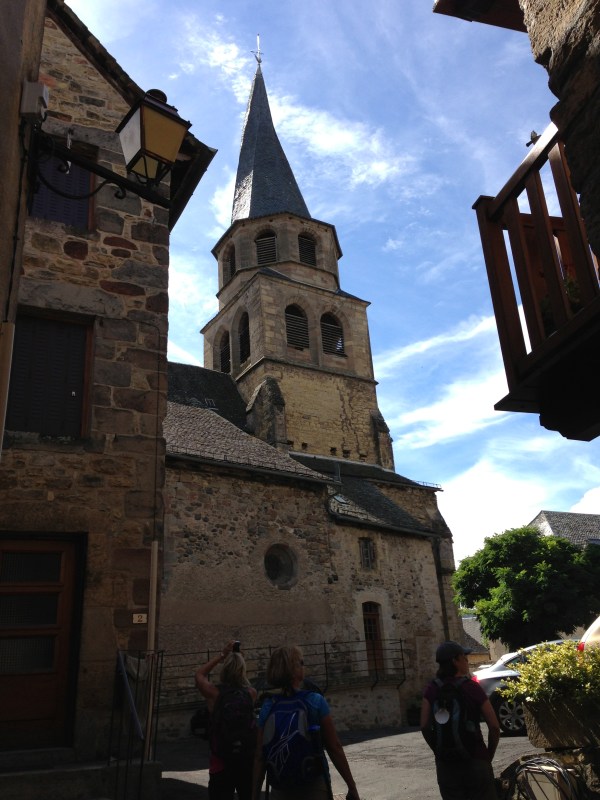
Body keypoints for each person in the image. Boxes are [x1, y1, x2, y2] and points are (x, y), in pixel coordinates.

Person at [252, 645, 360, 800]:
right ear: (295, 670)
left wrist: (254, 795)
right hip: (313, 786)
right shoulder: (315, 701)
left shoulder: (268, 706)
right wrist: (351, 786)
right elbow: (334, 747)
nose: (304, 666)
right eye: (301, 663)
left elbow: (260, 755)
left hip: (280, 787)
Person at [420, 640, 500, 800]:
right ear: (455, 661)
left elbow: (424, 726)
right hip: (476, 760)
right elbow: (494, 726)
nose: (467, 660)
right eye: (464, 657)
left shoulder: (432, 689)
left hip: (447, 766)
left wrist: (438, 750)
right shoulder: (471, 687)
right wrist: (487, 756)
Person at [195, 641, 258, 800]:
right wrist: (239, 659)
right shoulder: (251, 693)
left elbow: (199, 675)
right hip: (246, 761)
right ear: (243, 670)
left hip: (221, 762)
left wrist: (222, 656)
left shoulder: (214, 693)